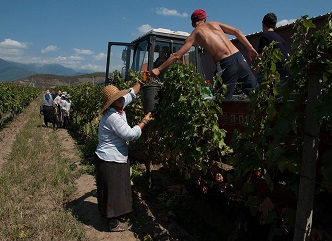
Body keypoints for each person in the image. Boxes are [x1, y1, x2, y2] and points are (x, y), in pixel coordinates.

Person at [151, 9, 258, 100]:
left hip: (226, 64)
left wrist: (159, 69)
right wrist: (250, 48)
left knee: (217, 101)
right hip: (240, 57)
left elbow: (177, 55)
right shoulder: (215, 24)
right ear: (205, 19)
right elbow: (237, 31)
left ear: (193, 24)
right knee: (256, 95)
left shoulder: (194, 34)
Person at [94, 77, 153, 232]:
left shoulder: (118, 105)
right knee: (114, 190)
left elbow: (131, 94)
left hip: (111, 157)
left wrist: (141, 82)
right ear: (112, 102)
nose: (121, 98)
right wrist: (144, 122)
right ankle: (113, 223)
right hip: (110, 159)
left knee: (113, 189)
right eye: (118, 97)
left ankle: (109, 216)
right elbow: (130, 134)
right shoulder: (112, 117)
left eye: (120, 96)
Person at [258, 12, 290, 85]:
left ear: (263, 24)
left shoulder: (264, 37)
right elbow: (287, 55)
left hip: (276, 76)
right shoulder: (280, 39)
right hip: (287, 73)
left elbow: (260, 58)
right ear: (275, 25)